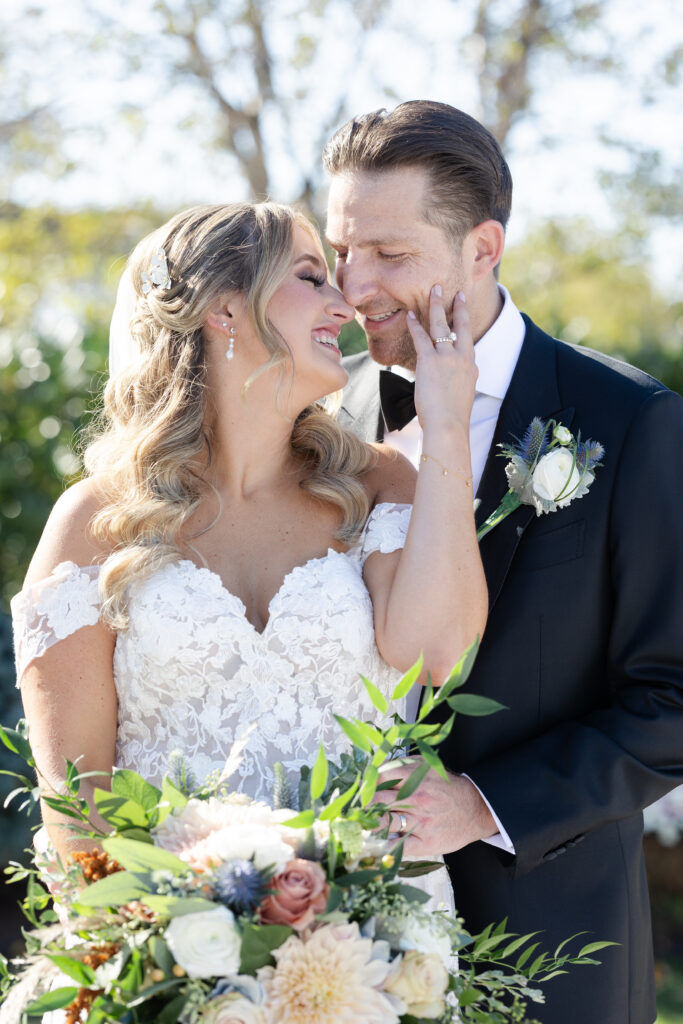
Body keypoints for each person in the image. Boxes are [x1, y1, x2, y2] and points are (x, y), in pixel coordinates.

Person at [10, 202, 485, 921]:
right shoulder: (94, 525)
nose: (345, 303)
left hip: (375, 944)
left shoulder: (381, 488)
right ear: (224, 311)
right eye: (309, 276)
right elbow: (78, 809)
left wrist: (447, 426)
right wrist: (167, 969)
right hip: (169, 950)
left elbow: (438, 654)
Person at [323, 99, 683, 1024]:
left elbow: (673, 698)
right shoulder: (322, 424)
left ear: (482, 249)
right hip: (329, 952)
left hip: (550, 948)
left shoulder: (628, 422)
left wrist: (480, 804)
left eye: (390, 256)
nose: (354, 287)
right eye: (341, 252)